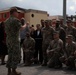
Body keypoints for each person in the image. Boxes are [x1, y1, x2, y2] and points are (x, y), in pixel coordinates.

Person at [5, 7, 26, 75]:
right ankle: (14, 71)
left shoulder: (6, 21)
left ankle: (9, 71)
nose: (17, 14)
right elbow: (21, 28)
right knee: (16, 55)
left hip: (9, 40)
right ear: (14, 12)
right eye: (17, 12)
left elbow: (6, 31)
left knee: (10, 55)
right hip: (15, 41)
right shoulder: (15, 20)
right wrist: (26, 24)